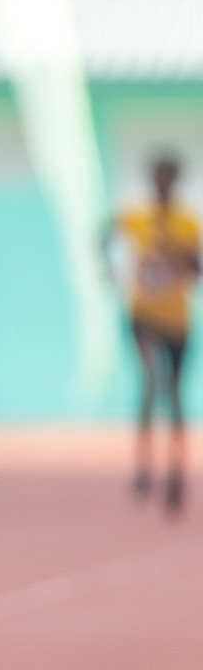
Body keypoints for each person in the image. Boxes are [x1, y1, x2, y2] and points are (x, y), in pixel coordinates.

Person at [112, 156, 200, 512]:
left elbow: (198, 270)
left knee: (174, 395)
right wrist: (108, 270)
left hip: (177, 321)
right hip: (143, 316)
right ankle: (144, 465)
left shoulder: (188, 222)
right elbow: (105, 233)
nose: (161, 183)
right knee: (150, 382)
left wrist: (181, 257)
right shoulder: (137, 216)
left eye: (167, 177)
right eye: (156, 177)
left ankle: (176, 470)